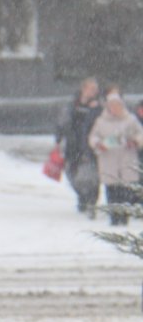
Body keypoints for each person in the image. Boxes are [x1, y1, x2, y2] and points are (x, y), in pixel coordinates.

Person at [88, 91, 143, 226]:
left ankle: (124, 217)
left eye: (117, 105)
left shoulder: (131, 119)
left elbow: (140, 134)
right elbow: (92, 137)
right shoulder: (101, 121)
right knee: (111, 190)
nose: (115, 108)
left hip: (127, 159)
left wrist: (135, 141)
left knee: (125, 191)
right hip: (109, 161)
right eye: (112, 106)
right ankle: (113, 217)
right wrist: (98, 144)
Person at [56, 77, 104, 217]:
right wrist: (59, 138)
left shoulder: (98, 106)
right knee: (72, 174)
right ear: (83, 89)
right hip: (73, 145)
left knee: (92, 175)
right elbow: (63, 122)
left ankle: (91, 202)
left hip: (90, 145)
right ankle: (82, 196)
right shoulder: (72, 105)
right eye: (90, 88)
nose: (93, 92)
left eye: (95, 89)